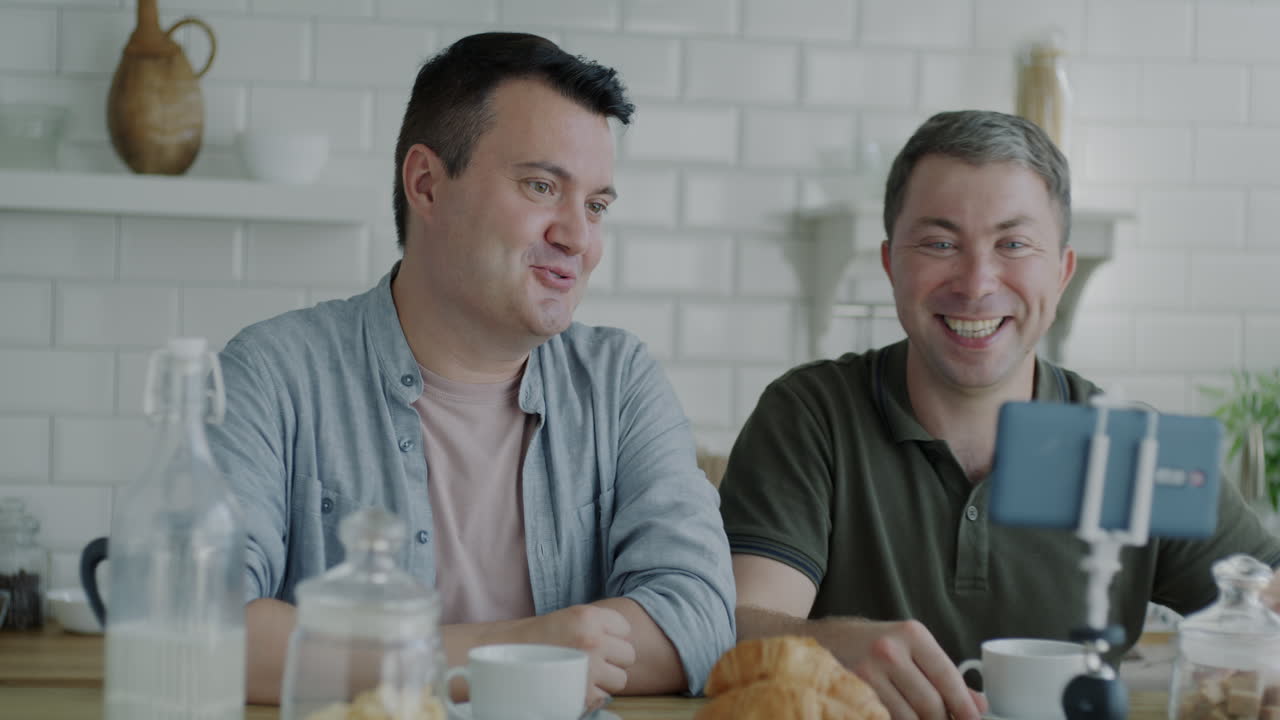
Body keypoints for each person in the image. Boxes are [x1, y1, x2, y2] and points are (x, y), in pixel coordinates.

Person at [208, 32, 736, 707]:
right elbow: (206, 626)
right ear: (427, 185)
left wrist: (359, 655)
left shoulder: (621, 383)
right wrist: (528, 650)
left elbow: (697, 621)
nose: (578, 237)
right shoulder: (273, 374)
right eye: (542, 186)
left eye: (597, 205)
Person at [718, 109, 1280, 720]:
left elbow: (1266, 598)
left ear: (1061, 271)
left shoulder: (1130, 448)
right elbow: (737, 626)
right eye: (939, 243)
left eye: (1013, 244)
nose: (977, 281)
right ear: (889, 264)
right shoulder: (811, 415)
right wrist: (831, 644)